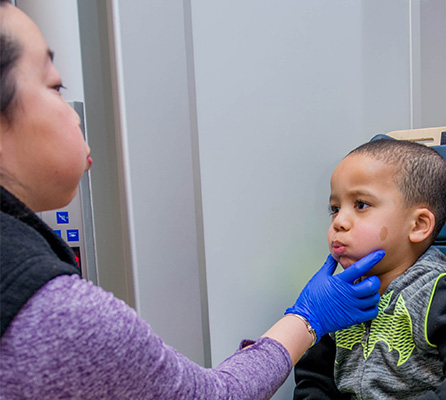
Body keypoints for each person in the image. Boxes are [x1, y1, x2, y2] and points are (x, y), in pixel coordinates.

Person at [0, 3, 385, 399]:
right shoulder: (54, 313)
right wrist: (308, 319)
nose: (76, 115)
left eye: (363, 205)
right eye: (54, 86)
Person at [293, 139, 446, 399]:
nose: (339, 222)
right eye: (335, 209)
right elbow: (313, 379)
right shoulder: (338, 299)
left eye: (360, 205)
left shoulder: (441, 293)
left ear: (418, 225)